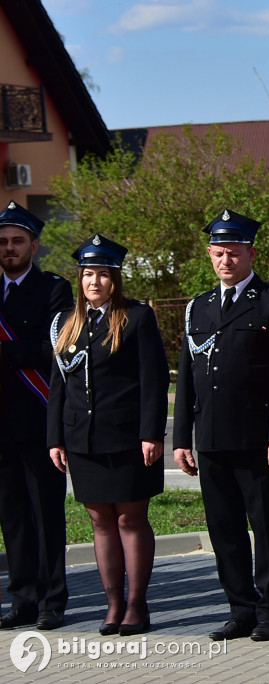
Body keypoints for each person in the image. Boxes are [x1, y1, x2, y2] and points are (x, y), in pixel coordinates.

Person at [173, 209, 269, 642]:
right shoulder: (198, 306)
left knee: (267, 530)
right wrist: (181, 438)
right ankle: (240, 609)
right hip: (210, 439)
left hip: (258, 440)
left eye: (234, 252)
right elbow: (187, 376)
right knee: (224, 531)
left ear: (251, 253)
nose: (226, 260)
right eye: (219, 253)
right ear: (210, 255)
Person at [47, 235, 168, 636]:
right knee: (100, 521)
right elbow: (58, 387)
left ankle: (137, 605)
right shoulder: (67, 323)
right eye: (86, 274)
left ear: (115, 278)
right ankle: (113, 604)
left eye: (101, 274)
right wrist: (55, 438)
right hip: (83, 441)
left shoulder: (135, 317)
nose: (93, 282)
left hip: (128, 439)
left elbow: (152, 381)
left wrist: (151, 433)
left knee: (130, 519)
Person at [0, 201, 73, 631]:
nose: (9, 249)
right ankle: (22, 599)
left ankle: (52, 600)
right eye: (4, 243)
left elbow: (51, 348)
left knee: (46, 513)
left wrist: (6, 353)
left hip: (41, 419)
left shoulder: (53, 290)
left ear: (34, 246)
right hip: (2, 426)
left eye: (17, 242)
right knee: (12, 516)